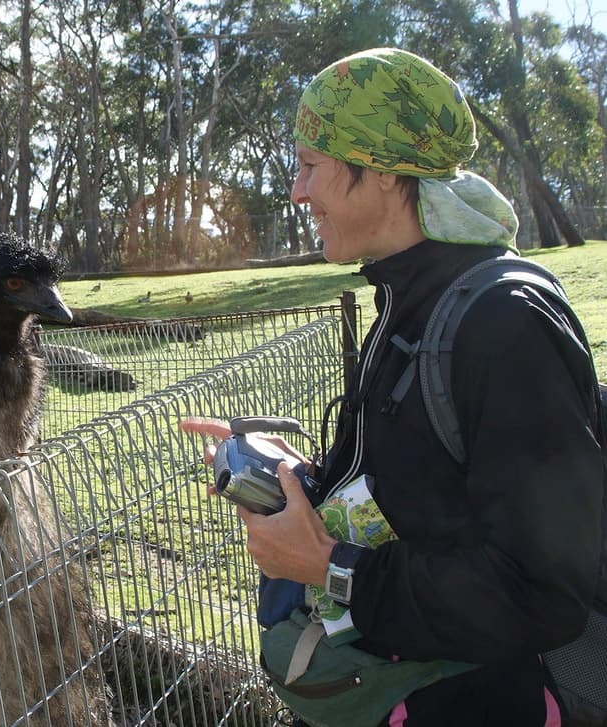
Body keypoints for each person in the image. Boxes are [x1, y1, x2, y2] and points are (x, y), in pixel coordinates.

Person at [182, 48, 603, 725]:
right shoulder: (408, 298)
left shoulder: (504, 322)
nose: (296, 191)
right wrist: (297, 478)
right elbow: (424, 492)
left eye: (311, 165)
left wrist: (331, 567)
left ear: (378, 172)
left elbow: (542, 589)